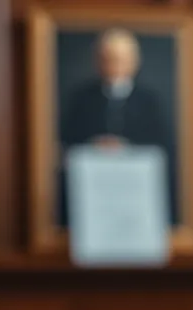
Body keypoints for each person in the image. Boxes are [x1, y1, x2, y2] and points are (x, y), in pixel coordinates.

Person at [57, 28, 177, 225]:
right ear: (98, 61)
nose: (114, 65)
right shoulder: (81, 100)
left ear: (134, 61)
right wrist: (95, 146)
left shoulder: (150, 102)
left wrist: (126, 148)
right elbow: (66, 145)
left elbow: (163, 149)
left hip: (135, 194)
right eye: (108, 58)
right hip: (93, 193)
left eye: (120, 59)